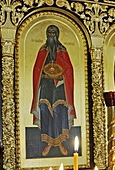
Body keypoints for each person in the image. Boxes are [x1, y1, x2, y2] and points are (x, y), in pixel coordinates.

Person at [30, 25, 75, 156]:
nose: (51, 35)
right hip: (45, 84)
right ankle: (48, 142)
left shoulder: (62, 50)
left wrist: (62, 76)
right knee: (45, 109)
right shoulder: (43, 50)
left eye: (53, 32)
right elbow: (37, 69)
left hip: (59, 85)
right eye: (49, 32)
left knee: (59, 110)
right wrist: (43, 75)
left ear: (57, 34)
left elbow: (69, 69)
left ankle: (60, 142)